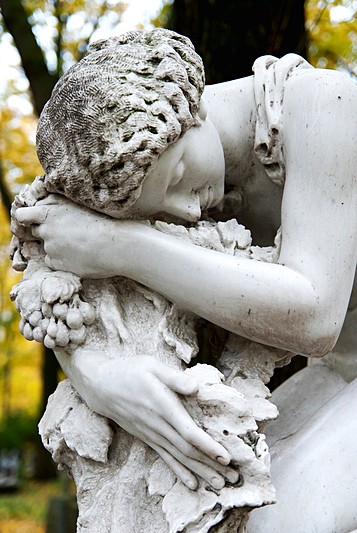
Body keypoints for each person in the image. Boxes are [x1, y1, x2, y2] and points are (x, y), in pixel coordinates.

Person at [15, 28, 357, 529]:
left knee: (282, 519)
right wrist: (95, 374)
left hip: (332, 355)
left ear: (189, 110)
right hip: (340, 372)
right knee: (218, 509)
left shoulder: (323, 107)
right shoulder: (124, 168)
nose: (187, 209)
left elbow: (315, 316)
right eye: (159, 208)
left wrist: (123, 247)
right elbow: (47, 257)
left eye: (176, 177)